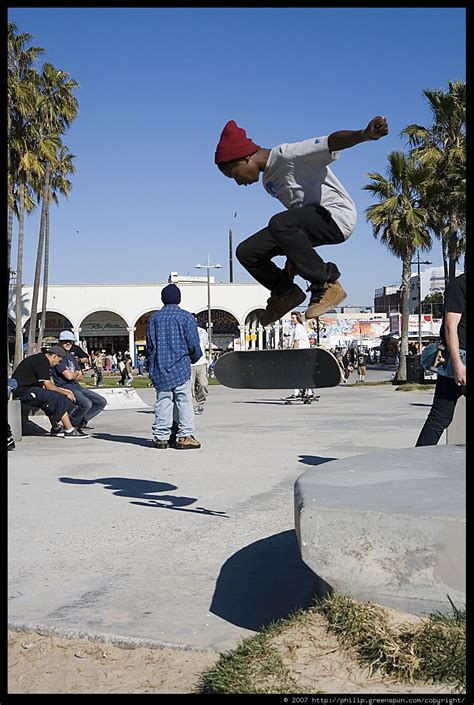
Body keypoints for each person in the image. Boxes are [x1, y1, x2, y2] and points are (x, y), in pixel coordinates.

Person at [214, 116, 388, 325]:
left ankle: (327, 283)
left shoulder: (287, 155)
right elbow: (297, 221)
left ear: (245, 158)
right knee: (248, 252)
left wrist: (365, 134)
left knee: (279, 223)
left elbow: (330, 142)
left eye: (235, 175)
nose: (239, 182)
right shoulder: (269, 181)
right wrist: (294, 257)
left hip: (336, 216)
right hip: (311, 222)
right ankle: (285, 293)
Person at [146, 284, 202, 449]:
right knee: (184, 401)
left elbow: (150, 346)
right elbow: (193, 343)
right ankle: (184, 436)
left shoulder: (154, 319)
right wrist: (194, 357)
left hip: (160, 367)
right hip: (181, 367)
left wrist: (151, 365)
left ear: (163, 299)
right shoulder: (185, 317)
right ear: (179, 298)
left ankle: (161, 436)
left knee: (163, 401)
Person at [416, 273, 466, 446]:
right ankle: (418, 460)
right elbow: (450, 327)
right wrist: (458, 365)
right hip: (458, 361)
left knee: (440, 417)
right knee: (440, 417)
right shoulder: (459, 285)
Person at [11, 345, 88, 438]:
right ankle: (70, 430)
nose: (58, 364)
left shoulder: (41, 359)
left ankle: (56, 428)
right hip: (22, 392)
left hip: (29, 389)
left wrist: (63, 390)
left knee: (49, 399)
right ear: (54, 356)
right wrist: (66, 392)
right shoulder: (41, 361)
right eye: (59, 361)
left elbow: (45, 385)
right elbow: (48, 385)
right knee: (56, 397)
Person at [51, 330, 107, 431]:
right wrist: (75, 373)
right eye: (65, 341)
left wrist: (74, 374)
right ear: (60, 341)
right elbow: (68, 376)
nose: (68, 343)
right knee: (86, 403)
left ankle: (81, 421)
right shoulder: (58, 357)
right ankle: (70, 425)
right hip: (65, 386)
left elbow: (80, 376)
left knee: (101, 402)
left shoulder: (71, 356)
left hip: (77, 386)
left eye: (70, 341)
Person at [287, 311, 315, 399]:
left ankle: (297, 392)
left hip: (301, 353)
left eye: (293, 318)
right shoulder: (300, 327)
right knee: (305, 373)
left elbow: (296, 342)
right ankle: (309, 391)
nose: (292, 320)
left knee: (296, 373)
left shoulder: (298, 328)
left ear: (297, 318)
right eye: (291, 318)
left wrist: (294, 354)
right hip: (305, 352)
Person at [191, 323, 209, 415]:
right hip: (189, 363)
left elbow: (205, 344)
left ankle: (201, 402)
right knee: (190, 386)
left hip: (201, 361)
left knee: (203, 383)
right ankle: (192, 405)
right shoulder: (185, 330)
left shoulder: (202, 331)